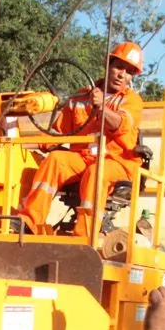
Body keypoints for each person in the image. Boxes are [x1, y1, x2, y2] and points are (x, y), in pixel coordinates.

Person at [19, 42, 147, 234]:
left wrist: (103, 106)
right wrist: (24, 144)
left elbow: (121, 125)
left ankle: (85, 234)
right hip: (83, 157)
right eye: (119, 67)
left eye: (129, 72)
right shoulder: (80, 96)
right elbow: (58, 132)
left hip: (118, 162)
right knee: (55, 160)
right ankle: (28, 222)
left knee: (97, 172)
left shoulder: (132, 101)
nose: (122, 75)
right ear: (108, 66)